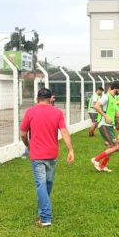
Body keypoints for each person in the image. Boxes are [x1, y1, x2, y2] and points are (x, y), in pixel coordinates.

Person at [20, 88, 75, 227]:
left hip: (37, 155)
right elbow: (64, 131)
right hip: (52, 155)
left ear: (36, 98)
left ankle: (45, 217)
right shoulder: (57, 112)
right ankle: (44, 210)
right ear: (51, 99)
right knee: (47, 184)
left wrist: (28, 145)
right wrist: (71, 150)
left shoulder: (30, 112)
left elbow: (22, 133)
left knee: (41, 185)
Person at [91, 81, 119, 172]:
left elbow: (116, 114)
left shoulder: (113, 98)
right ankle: (96, 159)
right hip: (104, 125)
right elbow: (96, 106)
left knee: (112, 148)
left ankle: (102, 166)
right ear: (116, 88)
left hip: (109, 126)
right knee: (115, 147)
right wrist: (105, 116)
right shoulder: (106, 96)